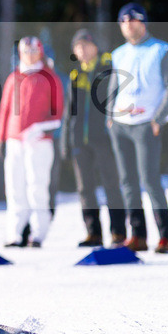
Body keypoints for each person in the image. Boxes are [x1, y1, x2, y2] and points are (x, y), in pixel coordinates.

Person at [107, 3, 168, 253]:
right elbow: (113, 87)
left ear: (143, 22)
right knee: (127, 181)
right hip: (120, 126)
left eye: (132, 20)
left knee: (150, 181)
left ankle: (166, 238)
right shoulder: (118, 53)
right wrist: (109, 114)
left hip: (146, 124)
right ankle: (137, 236)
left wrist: (159, 118)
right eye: (123, 22)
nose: (128, 25)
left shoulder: (161, 50)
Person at [0, 36, 64, 247]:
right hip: (15, 141)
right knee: (15, 188)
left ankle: (38, 233)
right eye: (26, 51)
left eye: (34, 51)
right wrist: (0, 139)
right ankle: (15, 234)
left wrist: (38, 129)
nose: (30, 55)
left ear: (40, 52)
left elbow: (57, 114)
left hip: (39, 142)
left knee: (37, 187)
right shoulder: (13, 78)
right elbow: (5, 110)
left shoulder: (50, 77)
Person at [60, 29, 126, 247]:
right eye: (77, 47)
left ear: (94, 46)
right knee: (85, 188)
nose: (82, 50)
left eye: (85, 45)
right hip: (80, 141)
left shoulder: (107, 68)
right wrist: (66, 142)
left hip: (104, 137)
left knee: (111, 184)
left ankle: (118, 232)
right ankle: (93, 233)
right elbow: (69, 113)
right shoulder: (75, 75)